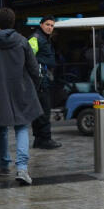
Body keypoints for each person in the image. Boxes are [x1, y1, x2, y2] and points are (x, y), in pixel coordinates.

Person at [0, 8, 42, 186]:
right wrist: (35, 87)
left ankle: (3, 163)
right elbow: (33, 67)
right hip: (21, 89)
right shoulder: (22, 41)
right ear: (13, 23)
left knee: (1, 127)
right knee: (22, 126)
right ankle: (22, 168)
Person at [27, 17, 61, 149]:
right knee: (44, 110)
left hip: (42, 79)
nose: (50, 27)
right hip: (40, 81)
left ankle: (39, 139)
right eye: (47, 24)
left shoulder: (43, 39)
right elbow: (28, 58)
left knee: (40, 111)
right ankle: (45, 139)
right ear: (41, 24)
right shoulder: (36, 38)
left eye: (52, 25)